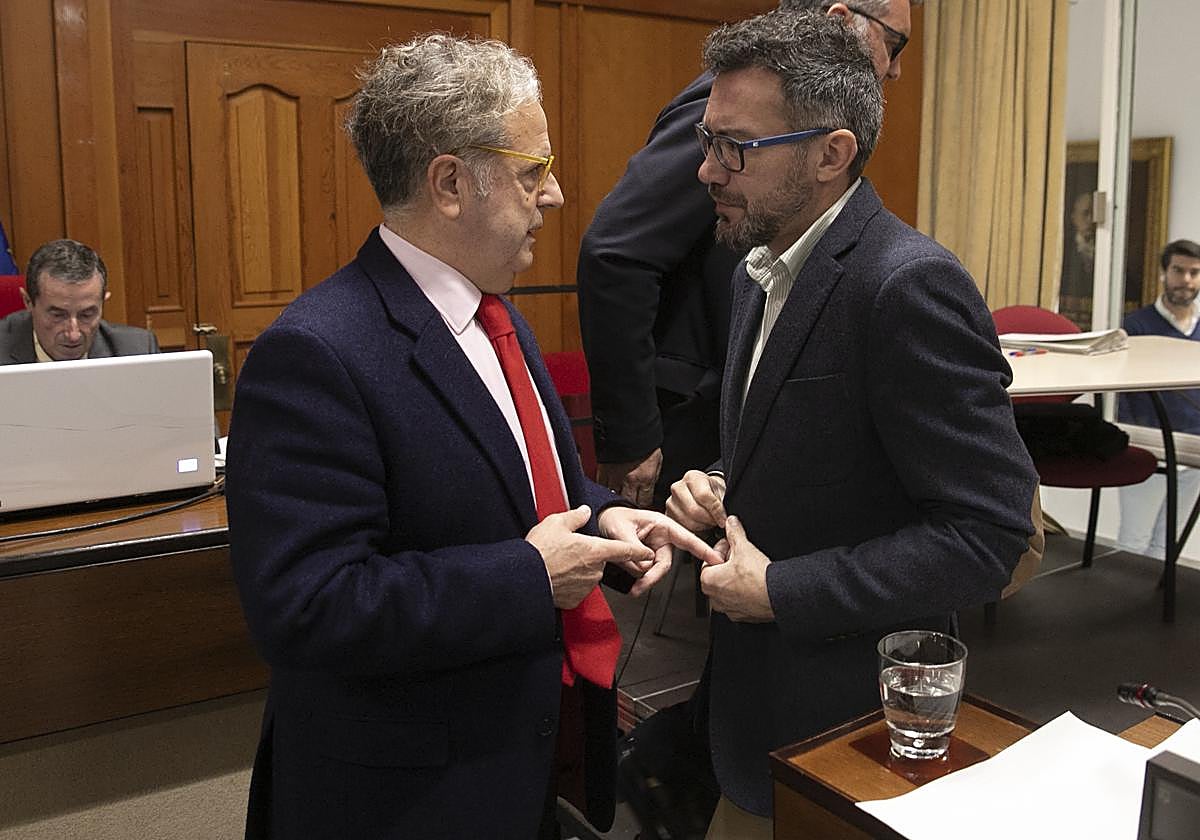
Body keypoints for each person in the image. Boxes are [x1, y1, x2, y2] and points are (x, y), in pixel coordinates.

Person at [224, 33, 721, 840]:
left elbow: (522, 490)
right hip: (404, 799)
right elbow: (305, 606)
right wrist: (528, 577)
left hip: (519, 764)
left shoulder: (498, 317)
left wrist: (602, 518)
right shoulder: (316, 352)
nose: (555, 195)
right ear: (450, 183)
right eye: (534, 172)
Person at [664, 11, 1039, 836]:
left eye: (737, 147)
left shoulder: (906, 287)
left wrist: (781, 591)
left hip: (852, 734)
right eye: (706, 137)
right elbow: (818, 450)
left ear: (831, 154)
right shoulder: (755, 272)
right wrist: (725, 485)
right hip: (753, 719)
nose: (706, 170)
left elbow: (989, 536)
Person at [577, 0, 914, 509]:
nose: (896, 68)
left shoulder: (905, 276)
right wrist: (631, 436)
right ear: (842, 18)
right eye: (894, 44)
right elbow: (615, 250)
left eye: (730, 147)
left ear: (833, 156)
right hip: (693, 410)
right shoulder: (745, 107)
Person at [1118, 239, 1200, 557]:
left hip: (1193, 451)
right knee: (1132, 543)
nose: (1187, 280)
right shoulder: (1137, 326)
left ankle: (1158, 604)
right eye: (1178, 270)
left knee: (1170, 545)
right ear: (1164, 273)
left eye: (1195, 272)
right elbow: (1127, 393)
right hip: (1148, 447)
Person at [0, 239, 159, 364]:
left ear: (103, 302)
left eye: (86, 315)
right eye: (57, 315)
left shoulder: (137, 351)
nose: (73, 335)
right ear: (28, 302)